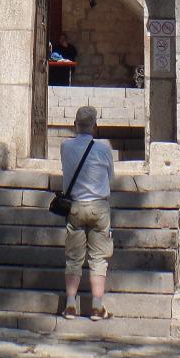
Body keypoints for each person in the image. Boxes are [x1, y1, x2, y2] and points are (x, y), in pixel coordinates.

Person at [59, 105, 116, 321]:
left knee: (73, 258)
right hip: (99, 206)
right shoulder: (104, 148)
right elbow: (110, 176)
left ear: (75, 125)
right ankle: (97, 306)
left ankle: (71, 304)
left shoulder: (66, 147)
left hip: (75, 206)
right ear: (95, 126)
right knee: (98, 258)